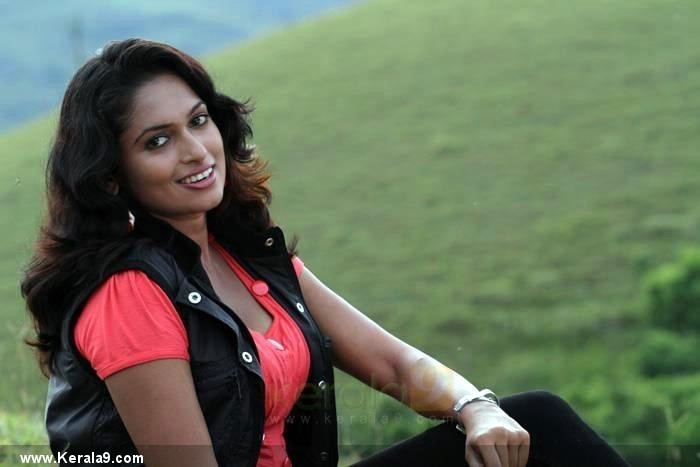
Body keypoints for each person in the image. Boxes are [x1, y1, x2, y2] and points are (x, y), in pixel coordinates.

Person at [20, 38, 631, 467]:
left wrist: (476, 409)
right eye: (158, 141)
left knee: (535, 422)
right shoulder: (131, 293)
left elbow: (394, 367)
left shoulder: (246, 256)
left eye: (199, 121)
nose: (196, 151)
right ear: (110, 175)